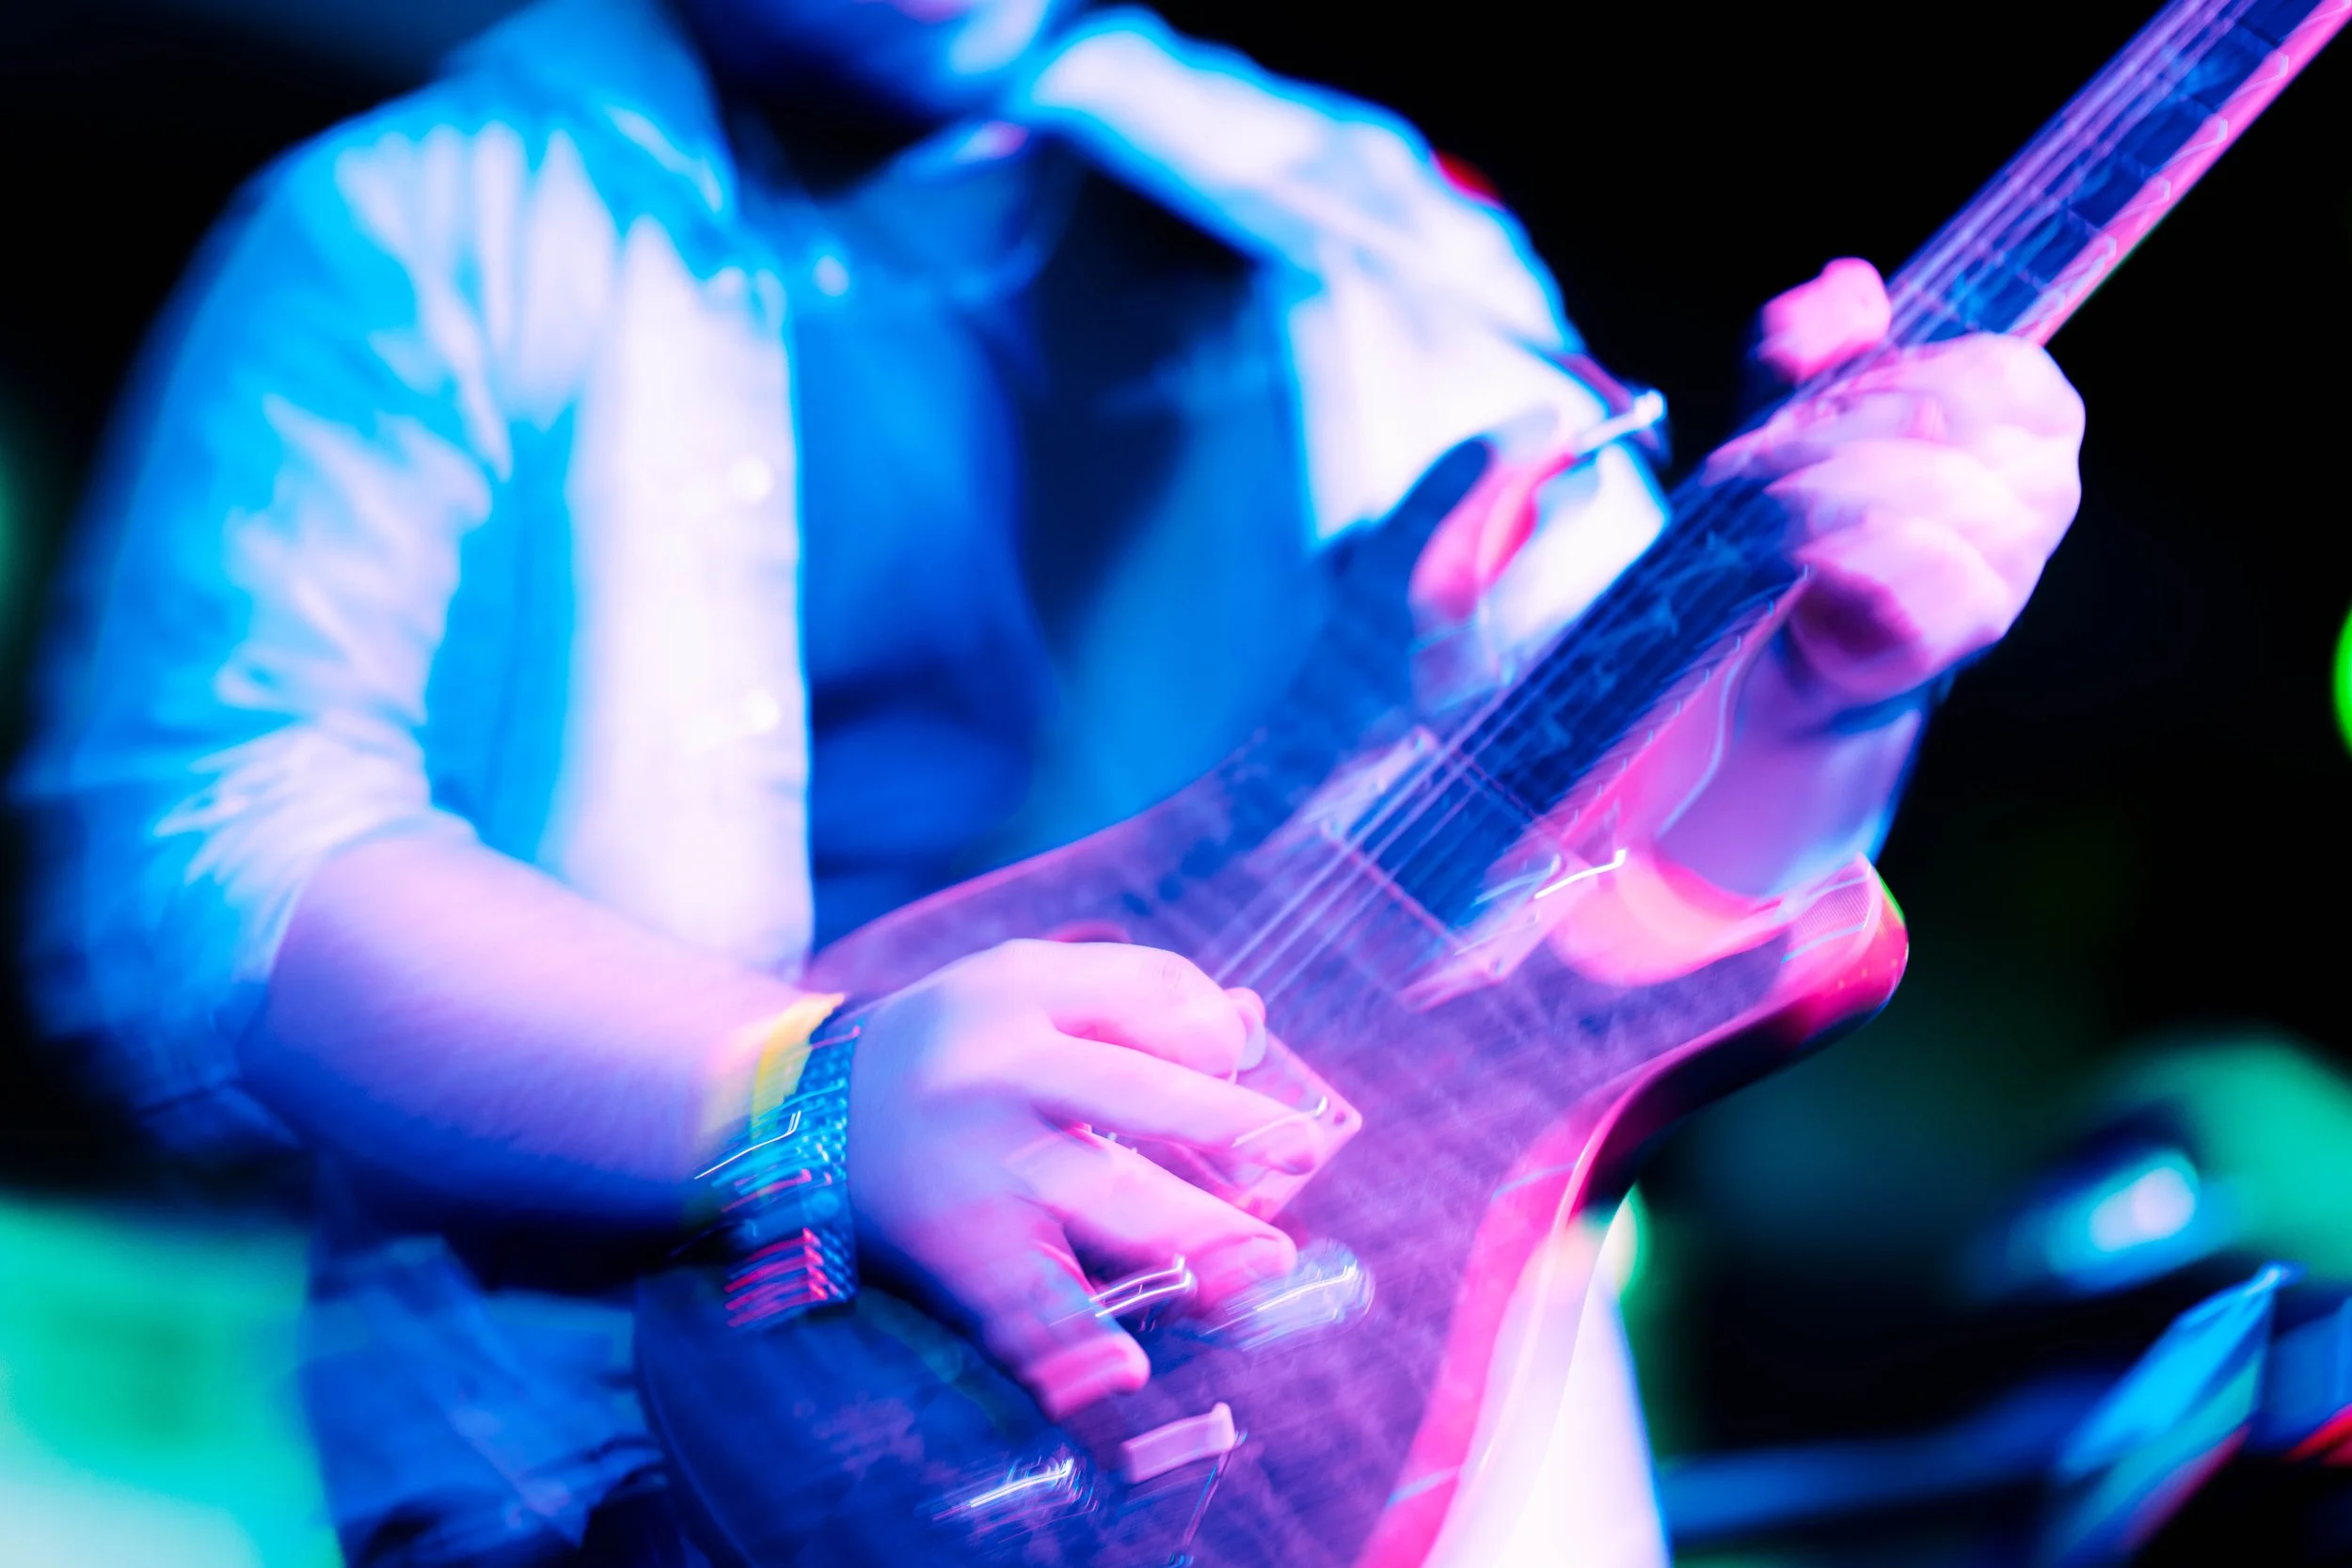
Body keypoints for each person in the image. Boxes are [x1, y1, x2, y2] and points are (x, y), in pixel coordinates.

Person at [15, 0, 2085, 1561]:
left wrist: (1825, 680)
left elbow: (1628, 912)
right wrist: (795, 1099)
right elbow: (211, 873)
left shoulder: (1377, 241)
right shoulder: (413, 222)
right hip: (656, 1483)